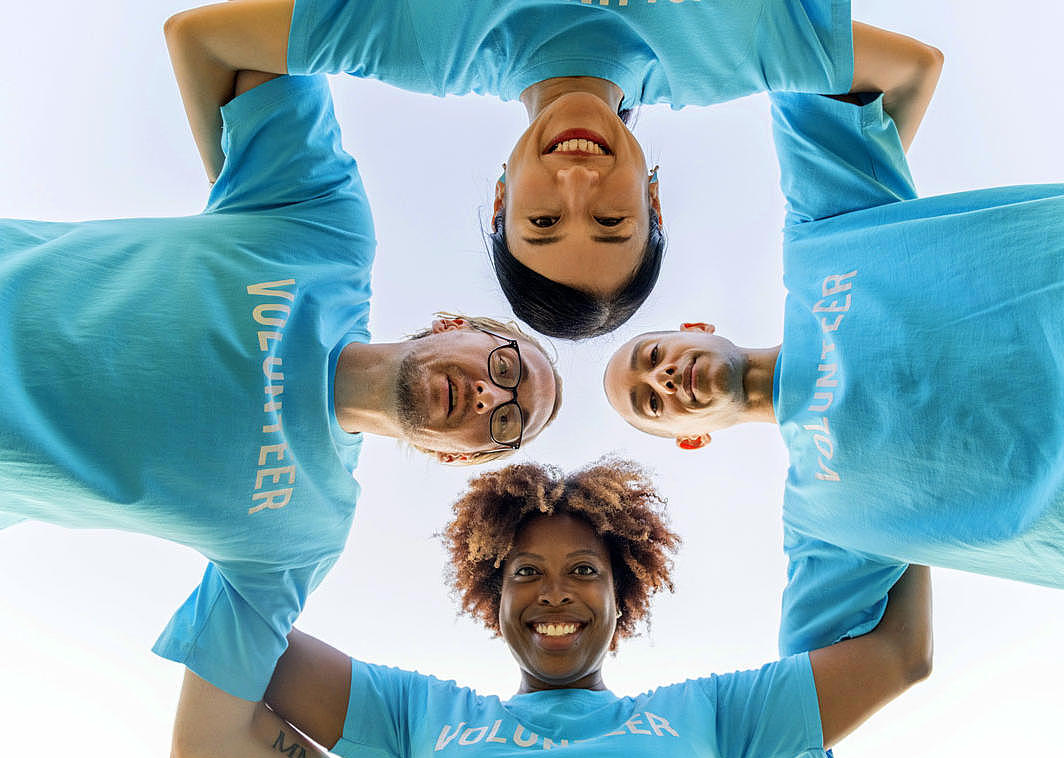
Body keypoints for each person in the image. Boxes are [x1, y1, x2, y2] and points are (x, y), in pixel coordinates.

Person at [0, 54, 560, 719]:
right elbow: (248, 46)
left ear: (454, 456)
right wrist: (239, 175)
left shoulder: (306, 531)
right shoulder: (326, 232)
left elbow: (210, 741)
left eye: (505, 423)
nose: (491, 397)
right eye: (505, 368)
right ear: (454, 325)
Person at [602, 34, 1064, 655]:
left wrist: (672, 51)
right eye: (651, 403)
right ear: (692, 438)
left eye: (652, 356)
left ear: (696, 329)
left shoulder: (820, 238)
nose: (661, 379)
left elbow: (861, 62)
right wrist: (907, 527)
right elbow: (839, 671)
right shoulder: (824, 524)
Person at [167, 459, 932, 758]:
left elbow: (899, 656)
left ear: (623, 595)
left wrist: (916, 468)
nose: (555, 593)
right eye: (526, 572)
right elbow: (238, 638)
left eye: (585, 571)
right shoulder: (419, 716)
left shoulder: (713, 717)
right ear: (492, 597)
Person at [165, 0, 923, 338]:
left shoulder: (425, 47)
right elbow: (910, 72)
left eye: (544, 221)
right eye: (612, 220)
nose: (578, 184)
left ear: (500, 198)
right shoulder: (732, 61)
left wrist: (251, 227)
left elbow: (202, 40)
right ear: (655, 202)